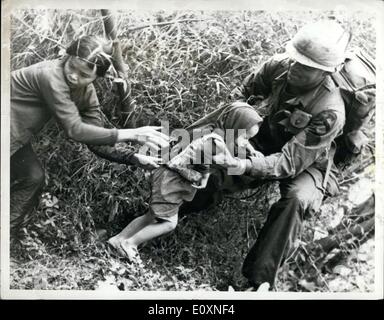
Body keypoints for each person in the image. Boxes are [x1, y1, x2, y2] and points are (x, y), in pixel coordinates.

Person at [111, 19, 350, 292]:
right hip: (262, 137)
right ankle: (155, 216)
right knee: (213, 172)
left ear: (325, 73)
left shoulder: (330, 111)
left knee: (296, 200)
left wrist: (240, 163)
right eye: (295, 60)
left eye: (306, 67)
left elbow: (288, 163)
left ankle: (257, 284)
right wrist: (237, 135)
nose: (295, 68)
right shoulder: (280, 65)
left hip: (306, 161)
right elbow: (241, 95)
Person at [10, 35, 169, 237]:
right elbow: (74, 129)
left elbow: (95, 140)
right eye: (72, 67)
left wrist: (133, 157)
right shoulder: (50, 75)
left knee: (32, 176)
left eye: (84, 75)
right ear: (67, 56)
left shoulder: (86, 94)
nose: (74, 76)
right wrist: (132, 134)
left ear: (96, 77)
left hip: (15, 136)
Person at [107, 101, 263, 261]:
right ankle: (130, 243)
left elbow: (206, 160)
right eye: (245, 137)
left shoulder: (215, 135)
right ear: (234, 126)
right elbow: (183, 162)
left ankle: (118, 240)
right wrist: (196, 176)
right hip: (170, 178)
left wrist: (250, 152)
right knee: (169, 223)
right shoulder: (214, 141)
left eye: (250, 139)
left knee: (151, 216)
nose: (246, 142)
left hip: (170, 177)